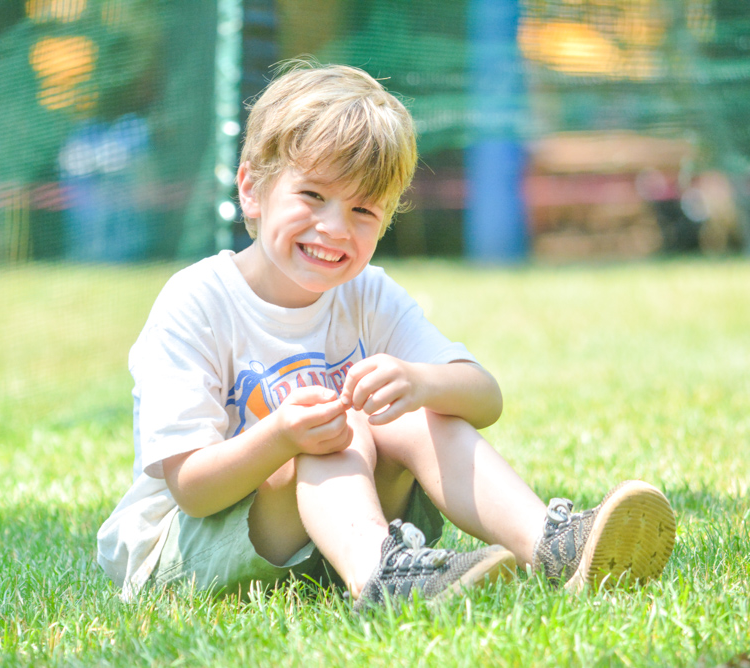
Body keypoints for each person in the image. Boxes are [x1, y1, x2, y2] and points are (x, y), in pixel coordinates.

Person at [97, 61, 676, 608]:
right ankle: (382, 578)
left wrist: (421, 382)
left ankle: (552, 548)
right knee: (338, 426)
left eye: (363, 212)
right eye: (312, 196)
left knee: (415, 409)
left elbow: (485, 398)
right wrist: (280, 434)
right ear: (252, 189)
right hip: (191, 549)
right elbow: (192, 488)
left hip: (333, 533)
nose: (333, 228)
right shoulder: (197, 301)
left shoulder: (368, 293)